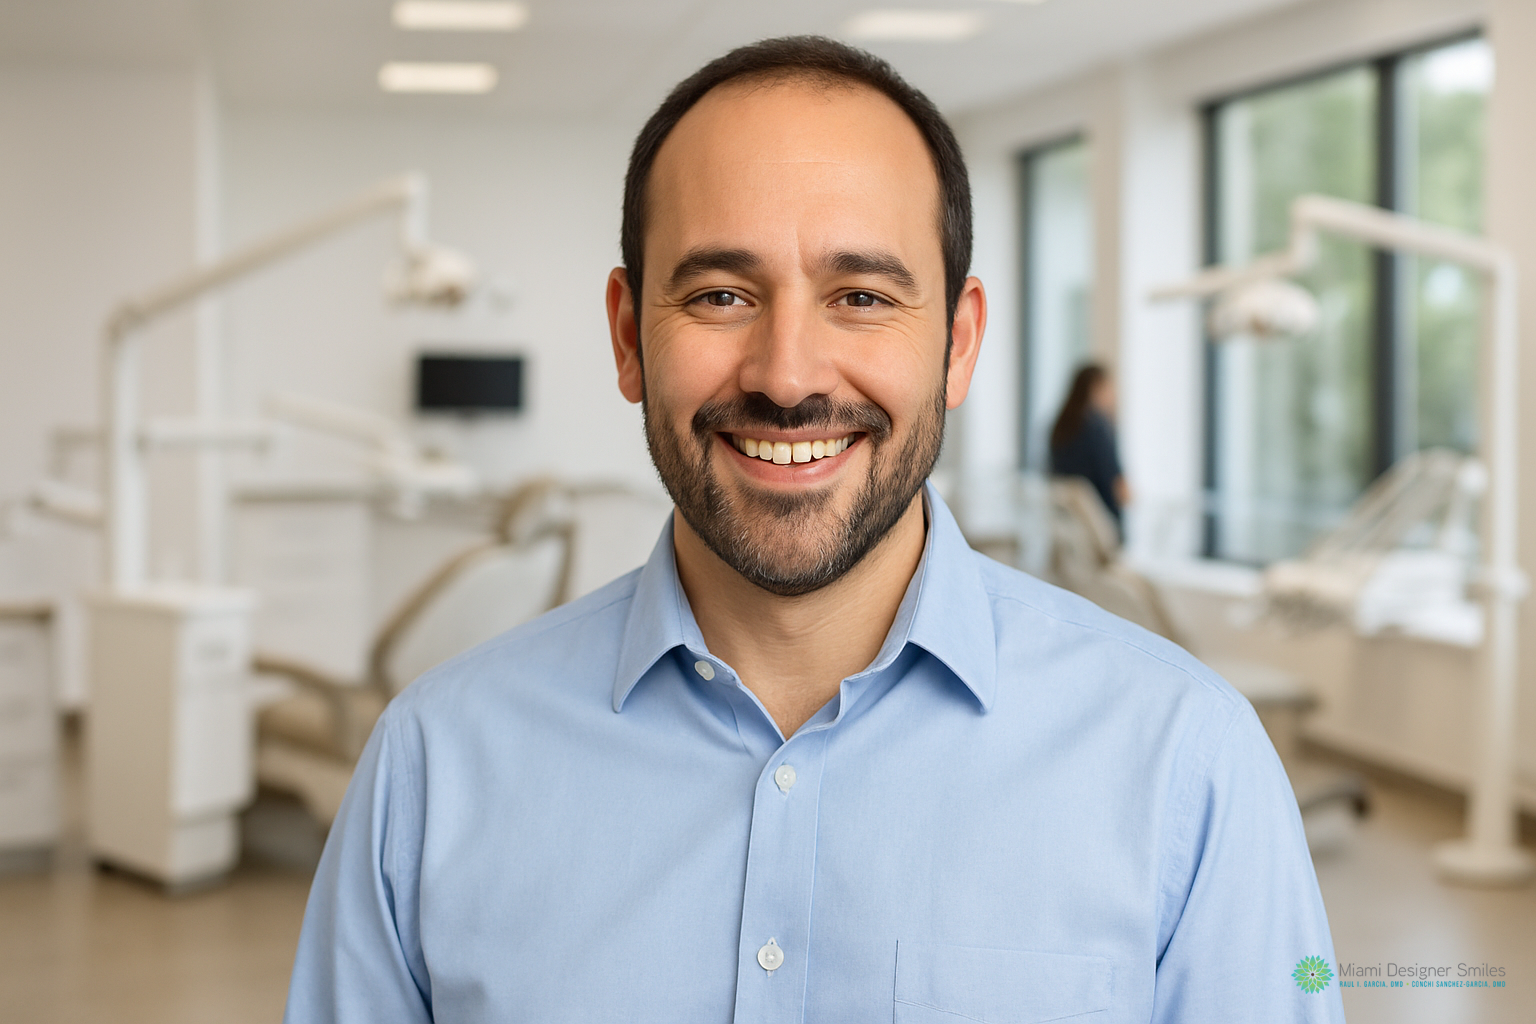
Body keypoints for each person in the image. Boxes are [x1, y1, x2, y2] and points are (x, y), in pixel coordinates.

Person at [284, 37, 1343, 1024]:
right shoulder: (433, 768)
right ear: (626, 336)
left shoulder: (1185, 764)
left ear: (960, 343)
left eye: (863, 295)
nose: (787, 375)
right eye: (721, 292)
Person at [1050, 363, 1129, 534]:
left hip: (1068, 528)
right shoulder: (1098, 426)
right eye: (1110, 388)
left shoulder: (1060, 426)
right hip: (1099, 526)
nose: (1114, 395)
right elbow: (1119, 487)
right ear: (1096, 387)